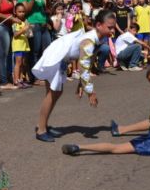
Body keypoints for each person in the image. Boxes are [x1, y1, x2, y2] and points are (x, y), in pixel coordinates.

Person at [32, 9, 116, 142]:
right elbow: (83, 66)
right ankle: (41, 129)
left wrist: (81, 85)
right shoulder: (89, 40)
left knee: (54, 93)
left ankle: (43, 125)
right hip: (57, 55)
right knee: (53, 93)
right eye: (109, 27)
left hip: (61, 55)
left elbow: (90, 59)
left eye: (113, 27)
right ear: (99, 25)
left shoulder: (99, 38)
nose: (113, 30)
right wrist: (90, 91)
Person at [12, 3, 32, 89]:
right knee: (18, 63)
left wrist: (29, 29)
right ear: (15, 12)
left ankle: (20, 80)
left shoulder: (25, 21)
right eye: (19, 11)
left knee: (23, 63)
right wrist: (24, 29)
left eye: (23, 11)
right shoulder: (15, 22)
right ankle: (16, 80)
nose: (22, 13)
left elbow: (28, 34)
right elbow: (15, 34)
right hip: (18, 45)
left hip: (24, 44)